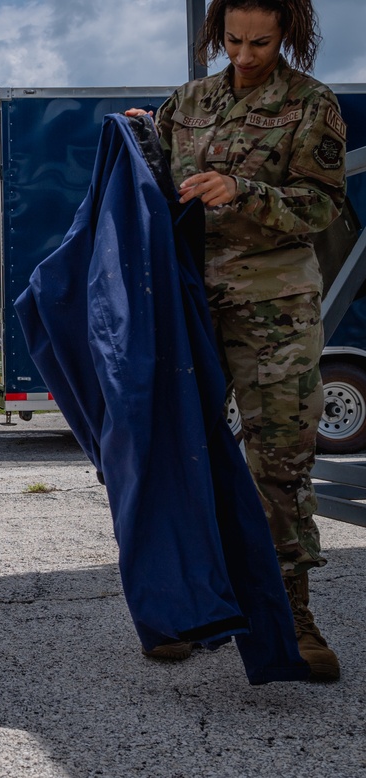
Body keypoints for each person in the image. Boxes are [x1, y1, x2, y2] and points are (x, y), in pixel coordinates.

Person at [128, 0, 345, 680]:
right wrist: (140, 144)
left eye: (261, 43)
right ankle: (186, 608)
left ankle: (290, 618)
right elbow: (157, 189)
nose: (245, 56)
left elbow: (323, 204)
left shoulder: (312, 104)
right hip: (191, 300)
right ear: (216, 32)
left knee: (279, 460)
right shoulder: (186, 101)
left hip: (273, 304)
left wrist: (243, 190)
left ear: (289, 35)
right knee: (179, 452)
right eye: (233, 40)